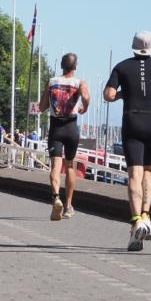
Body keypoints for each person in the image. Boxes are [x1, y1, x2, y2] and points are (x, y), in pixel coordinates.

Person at [103, 30, 151, 251]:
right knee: (148, 170)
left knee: (134, 174)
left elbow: (108, 95)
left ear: (133, 47)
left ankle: (136, 220)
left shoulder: (121, 67)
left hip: (132, 121)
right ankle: (146, 215)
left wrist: (124, 94)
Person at [46, 53, 90, 221]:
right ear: (75, 66)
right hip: (71, 128)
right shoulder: (79, 83)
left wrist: (52, 103)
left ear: (62, 66)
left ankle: (56, 197)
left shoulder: (52, 82)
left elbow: (42, 105)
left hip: (55, 127)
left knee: (55, 166)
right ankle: (68, 206)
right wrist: (84, 107)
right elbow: (86, 97)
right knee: (70, 165)